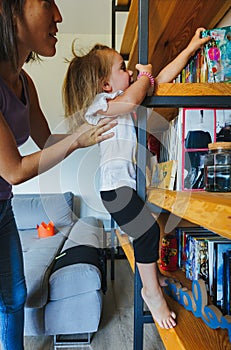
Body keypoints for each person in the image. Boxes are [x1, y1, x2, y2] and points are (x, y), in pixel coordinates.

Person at [62, 29, 210, 329]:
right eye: (122, 68)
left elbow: (163, 79)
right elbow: (132, 100)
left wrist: (191, 48)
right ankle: (151, 293)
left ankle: (152, 280)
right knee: (147, 234)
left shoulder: (129, 94)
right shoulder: (100, 106)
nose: (129, 71)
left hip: (130, 184)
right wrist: (144, 76)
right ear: (105, 84)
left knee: (150, 232)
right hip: (114, 187)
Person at [0, 1, 118, 349]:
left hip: (3, 207)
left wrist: (94, 120)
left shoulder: (24, 82)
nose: (59, 16)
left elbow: (49, 142)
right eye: (47, 2)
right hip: (8, 190)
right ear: (9, 10)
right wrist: (78, 140)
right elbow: (15, 169)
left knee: (14, 297)